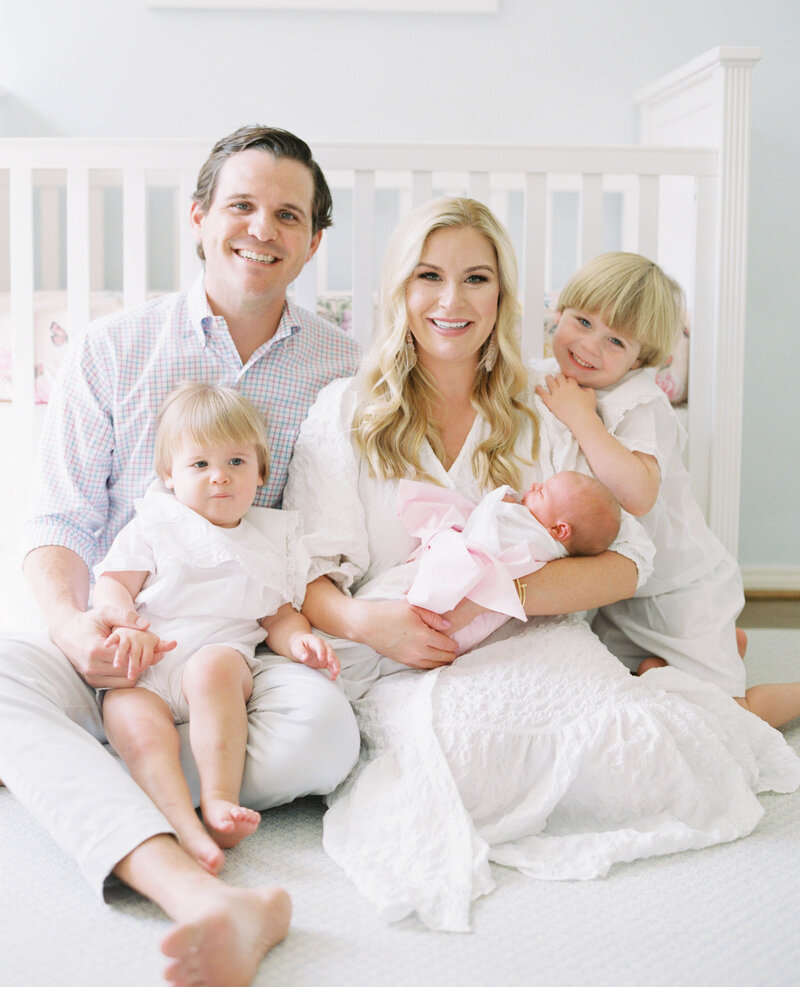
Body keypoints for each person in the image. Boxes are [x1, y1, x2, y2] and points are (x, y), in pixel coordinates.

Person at [282, 197, 800, 933]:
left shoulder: (545, 402)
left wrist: (502, 592)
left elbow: (629, 562)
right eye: (429, 275)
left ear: (503, 294)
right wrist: (371, 621)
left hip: (542, 638)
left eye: (477, 278)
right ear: (399, 289)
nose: (453, 300)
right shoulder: (344, 410)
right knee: (457, 767)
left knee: (662, 755)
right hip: (412, 654)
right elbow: (308, 576)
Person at [0, 125, 361, 987]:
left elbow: (327, 540)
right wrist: (78, 625)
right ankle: (199, 889)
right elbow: (58, 519)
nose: (260, 230)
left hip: (239, 648)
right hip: (121, 634)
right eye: (240, 206)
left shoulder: (344, 369)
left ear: (314, 242)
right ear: (199, 218)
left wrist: (295, 630)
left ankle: (101, 767)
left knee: (325, 737)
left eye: (287, 214)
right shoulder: (110, 348)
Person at [534, 252, 800, 728]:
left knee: (722, 719)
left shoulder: (642, 404)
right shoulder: (555, 380)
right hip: (620, 593)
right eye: (583, 321)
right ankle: (716, 649)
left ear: (643, 359)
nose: (590, 345)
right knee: (620, 691)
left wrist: (581, 419)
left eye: (615, 340)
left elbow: (638, 494)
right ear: (559, 313)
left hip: (678, 591)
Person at [96, 382, 340, 877]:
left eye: (236, 463)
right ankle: (179, 823)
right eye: (200, 465)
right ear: (169, 475)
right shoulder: (153, 524)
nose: (219, 479)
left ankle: (219, 803)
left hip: (217, 657)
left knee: (212, 673)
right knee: (130, 715)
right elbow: (111, 587)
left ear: (260, 472)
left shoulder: (269, 539)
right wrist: (126, 624)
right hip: (149, 664)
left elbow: (278, 616)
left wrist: (300, 640)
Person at [328, 471, 620, 698]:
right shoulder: (552, 556)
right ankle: (343, 671)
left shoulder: (530, 533)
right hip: (458, 625)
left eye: (540, 490)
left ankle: (333, 658)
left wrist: (501, 499)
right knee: (388, 649)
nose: (531, 487)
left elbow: (486, 534)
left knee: (386, 610)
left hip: (445, 587)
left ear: (559, 529)